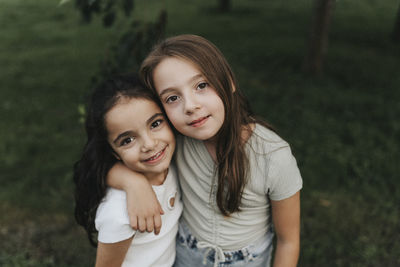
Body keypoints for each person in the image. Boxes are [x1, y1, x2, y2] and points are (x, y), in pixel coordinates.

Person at [108, 35, 303, 267]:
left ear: (229, 81)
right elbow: (101, 167)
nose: (190, 106)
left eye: (201, 85)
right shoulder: (173, 140)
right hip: (185, 254)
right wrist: (133, 183)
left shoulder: (274, 157)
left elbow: (288, 241)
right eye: (172, 98)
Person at [73, 74, 182, 267]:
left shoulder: (175, 159)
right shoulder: (118, 213)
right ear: (113, 152)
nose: (149, 144)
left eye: (155, 124)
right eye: (127, 140)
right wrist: (133, 183)